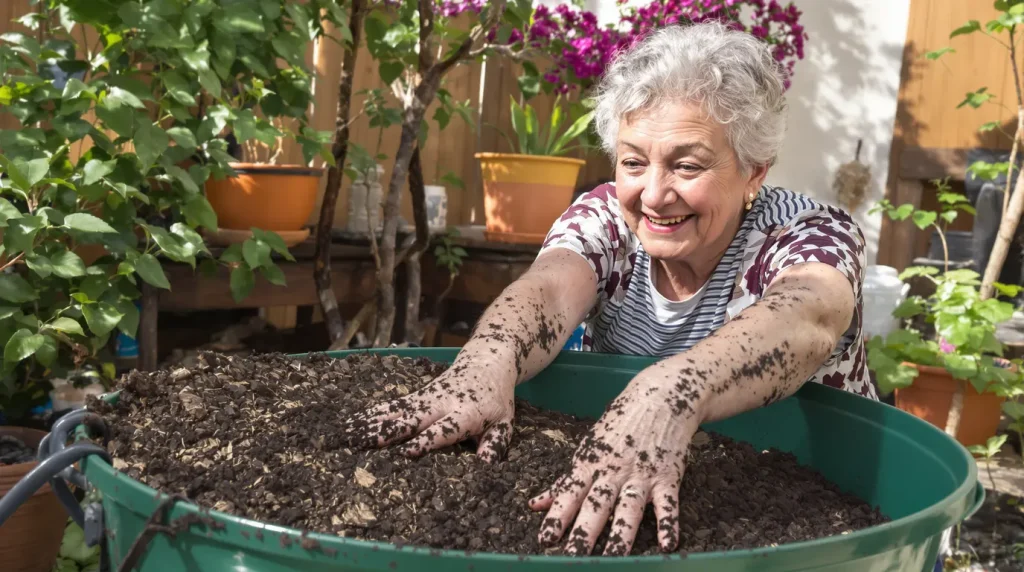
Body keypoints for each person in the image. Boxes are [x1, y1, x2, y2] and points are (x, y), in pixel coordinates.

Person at [340, 21, 876, 557]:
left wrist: (669, 392)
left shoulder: (806, 232)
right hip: (628, 478)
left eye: (687, 165)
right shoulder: (608, 219)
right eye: (634, 162)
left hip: (816, 507)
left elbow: (808, 314)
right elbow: (550, 288)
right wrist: (488, 358)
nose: (655, 193)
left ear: (754, 172)